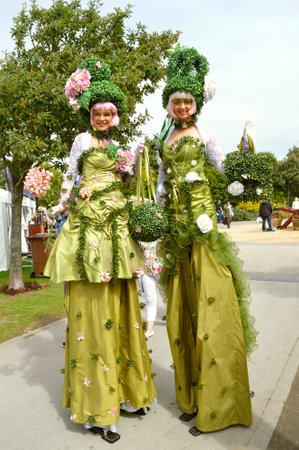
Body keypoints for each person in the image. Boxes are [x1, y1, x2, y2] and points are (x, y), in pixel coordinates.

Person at [44, 57, 156, 444]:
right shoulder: (81, 141)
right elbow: (72, 175)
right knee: (95, 303)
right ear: (90, 113)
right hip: (90, 223)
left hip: (117, 223)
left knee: (124, 302)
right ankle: (97, 407)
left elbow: (127, 179)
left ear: (116, 116)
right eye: (98, 112)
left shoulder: (118, 146)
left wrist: (138, 160)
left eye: (109, 112)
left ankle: (127, 394)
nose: (104, 117)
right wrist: (63, 202)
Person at [155, 46, 257, 436]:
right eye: (176, 101)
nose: (182, 106)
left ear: (196, 104)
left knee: (212, 312)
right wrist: (157, 200)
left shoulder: (204, 132)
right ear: (170, 105)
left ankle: (220, 405)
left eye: (187, 101)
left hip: (202, 228)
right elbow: (163, 179)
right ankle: (194, 397)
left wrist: (229, 187)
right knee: (184, 314)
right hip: (176, 230)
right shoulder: (165, 136)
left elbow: (220, 169)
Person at [138, 241, 163, 338]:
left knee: (166, 299)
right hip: (145, 270)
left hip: (161, 269)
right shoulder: (138, 230)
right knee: (150, 300)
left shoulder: (161, 228)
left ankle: (174, 325)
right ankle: (149, 330)